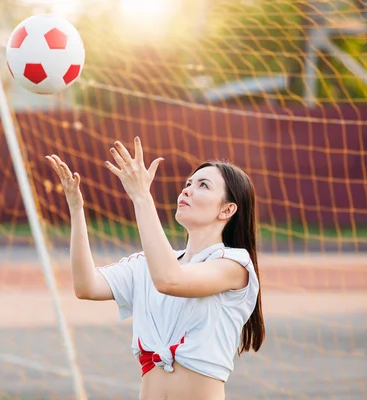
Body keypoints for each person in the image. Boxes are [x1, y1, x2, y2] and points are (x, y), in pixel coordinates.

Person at [45, 136, 265, 400]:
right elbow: (86, 286)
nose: (187, 190)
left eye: (203, 185)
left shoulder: (234, 265)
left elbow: (170, 280)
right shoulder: (147, 264)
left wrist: (141, 197)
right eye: (188, 184)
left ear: (227, 209)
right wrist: (76, 210)